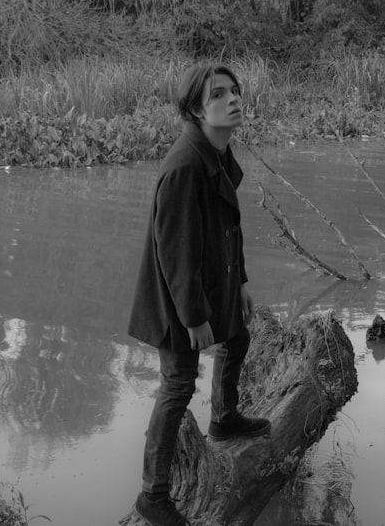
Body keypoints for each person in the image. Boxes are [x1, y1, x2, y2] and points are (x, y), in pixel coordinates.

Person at [127, 63, 271, 526]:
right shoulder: (185, 166)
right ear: (195, 108)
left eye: (235, 91)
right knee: (177, 384)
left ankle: (225, 417)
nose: (233, 100)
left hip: (216, 279)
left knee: (241, 337)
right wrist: (193, 318)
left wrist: (242, 282)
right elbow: (175, 254)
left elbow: (230, 226)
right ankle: (153, 494)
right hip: (178, 296)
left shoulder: (219, 151)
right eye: (219, 95)